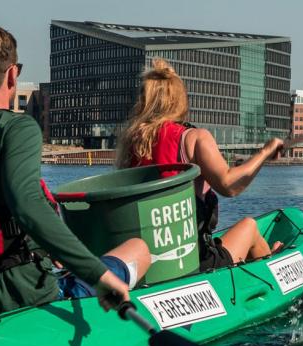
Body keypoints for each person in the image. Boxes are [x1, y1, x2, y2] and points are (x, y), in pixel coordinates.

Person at [0, 26, 151, 324]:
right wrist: (99, 277)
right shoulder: (16, 128)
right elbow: (26, 204)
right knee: (138, 249)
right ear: (12, 75)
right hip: (21, 296)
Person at [116, 59, 283, 271]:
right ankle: (272, 270)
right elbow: (229, 185)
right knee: (249, 227)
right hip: (192, 260)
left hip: (148, 263)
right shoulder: (194, 138)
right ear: (179, 100)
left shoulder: (131, 144)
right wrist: (265, 152)